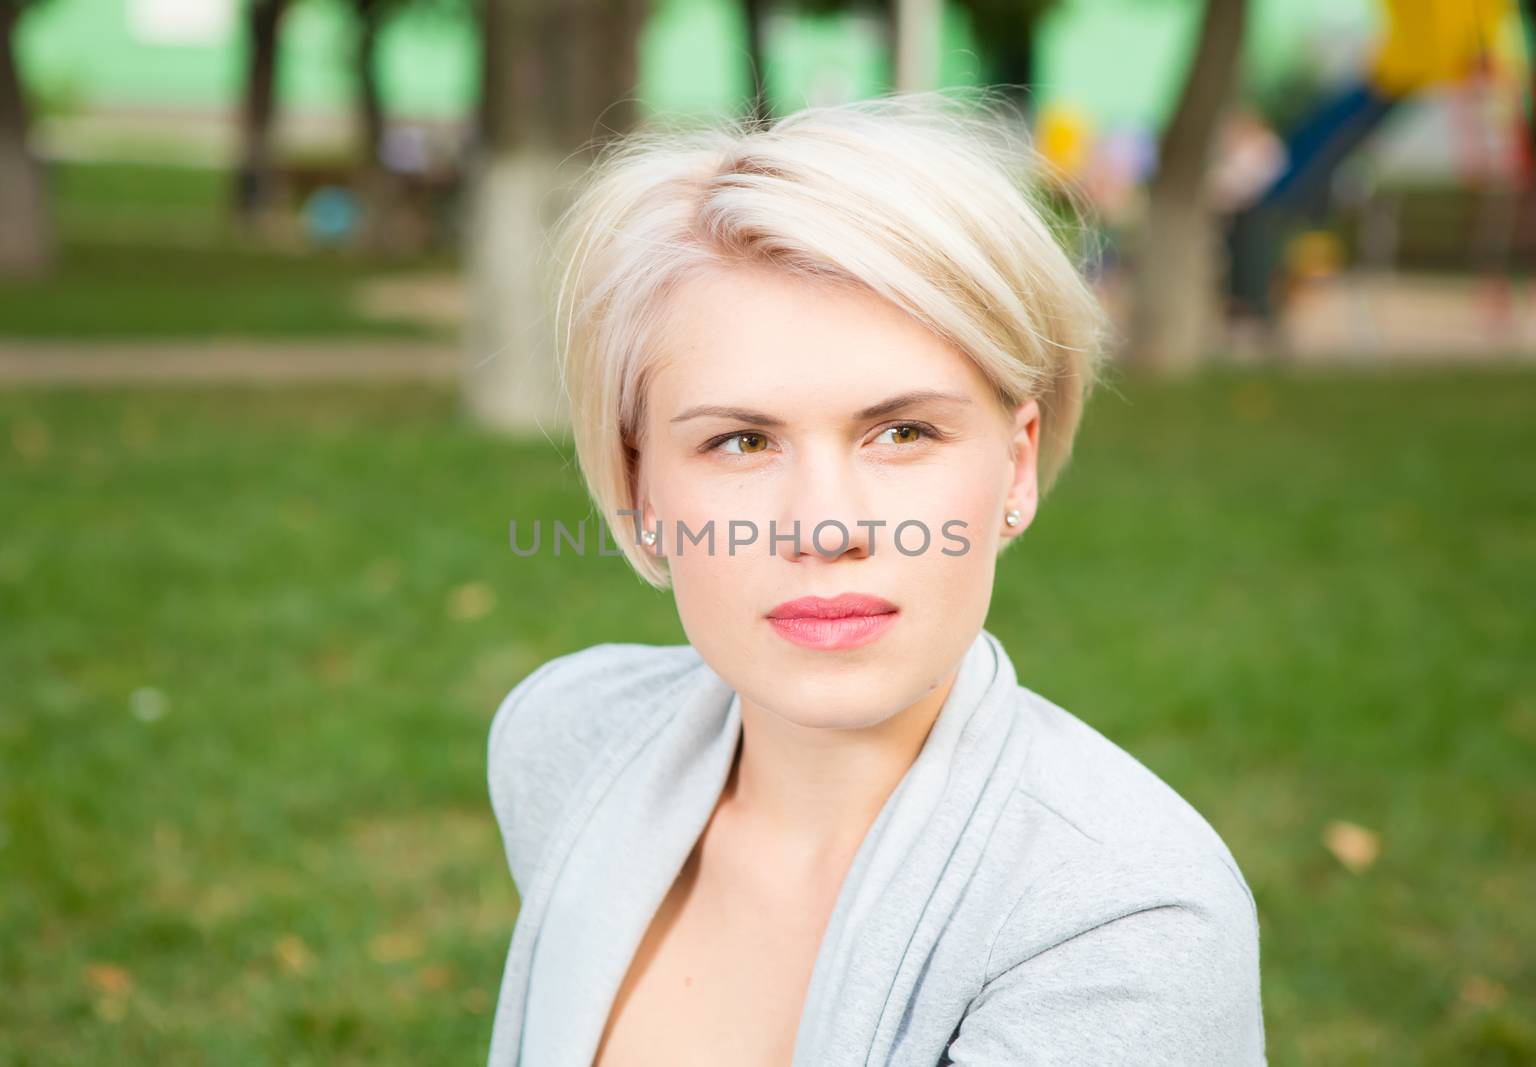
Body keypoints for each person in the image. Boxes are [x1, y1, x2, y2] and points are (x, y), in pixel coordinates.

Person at [485, 89, 1266, 1067]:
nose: (826, 526)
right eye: (740, 439)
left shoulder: (1124, 920)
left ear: (1015, 464)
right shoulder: (564, 741)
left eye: (903, 432)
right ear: (638, 478)